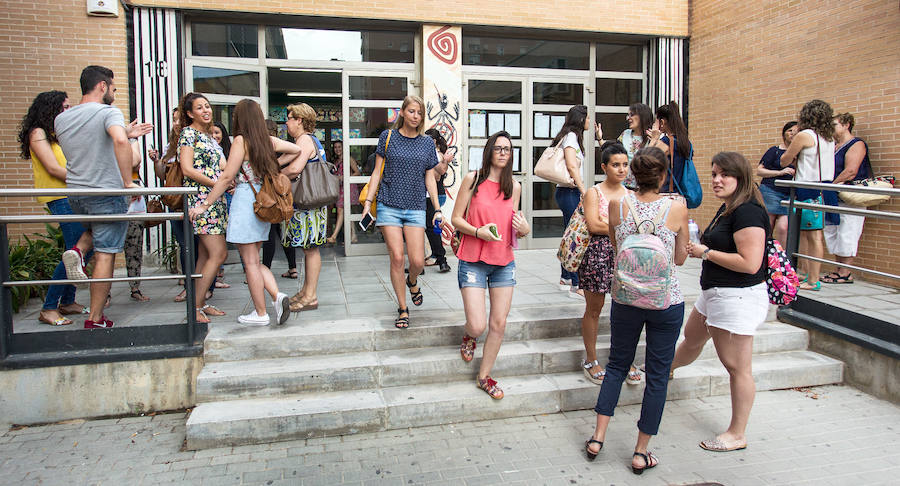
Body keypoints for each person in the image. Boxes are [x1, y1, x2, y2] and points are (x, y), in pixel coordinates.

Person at [584, 146, 688, 474]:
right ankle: (641, 452)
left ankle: (597, 437)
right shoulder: (676, 209)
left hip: (626, 297)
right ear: (662, 175)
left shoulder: (618, 204)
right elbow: (681, 258)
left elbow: (616, 246)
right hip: (665, 300)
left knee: (616, 365)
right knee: (657, 376)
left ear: (633, 175)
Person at [671, 152, 770, 452]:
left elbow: (750, 263)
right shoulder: (730, 208)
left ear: (740, 178)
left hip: (736, 298)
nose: (716, 180)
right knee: (691, 339)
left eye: (724, 174)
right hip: (715, 294)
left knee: (737, 367)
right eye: (714, 174)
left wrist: (706, 253)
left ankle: (737, 433)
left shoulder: (748, 212)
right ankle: (663, 371)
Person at [56, 65, 152, 328]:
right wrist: (126, 182)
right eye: (113, 87)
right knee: (106, 253)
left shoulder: (62, 119)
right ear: (102, 86)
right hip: (106, 192)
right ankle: (95, 318)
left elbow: (92, 144)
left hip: (76, 192)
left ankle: (78, 249)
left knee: (93, 232)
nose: (114, 92)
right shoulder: (108, 111)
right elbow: (119, 143)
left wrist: (126, 133)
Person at [191, 99, 299, 326]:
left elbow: (227, 176)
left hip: (246, 201)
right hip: (264, 201)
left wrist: (205, 204)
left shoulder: (241, 141)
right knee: (255, 260)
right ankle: (277, 296)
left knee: (250, 261)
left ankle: (260, 313)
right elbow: (296, 149)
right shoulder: (266, 140)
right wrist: (275, 167)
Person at [452, 131, 530, 399]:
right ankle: (469, 336)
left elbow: (514, 225)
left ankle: (483, 376)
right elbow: (456, 219)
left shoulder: (515, 187)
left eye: (507, 149)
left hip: (503, 262)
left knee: (498, 323)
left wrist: (524, 229)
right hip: (472, 259)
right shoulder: (472, 180)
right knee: (477, 325)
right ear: (488, 151)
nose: (502, 152)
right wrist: (478, 232)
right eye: (497, 148)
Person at [361, 95, 442, 329]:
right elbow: (376, 172)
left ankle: (412, 280)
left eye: (420, 113)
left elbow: (430, 177)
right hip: (389, 204)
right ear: (403, 112)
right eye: (412, 111)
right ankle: (403, 308)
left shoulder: (427, 143)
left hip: (416, 206)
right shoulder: (387, 138)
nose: (416, 116)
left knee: (417, 261)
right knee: (397, 257)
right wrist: (368, 202)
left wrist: (436, 208)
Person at [19, 90, 90, 326]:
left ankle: (68, 301)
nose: (69, 111)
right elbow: (52, 167)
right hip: (60, 196)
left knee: (81, 249)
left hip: (73, 193)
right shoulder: (38, 133)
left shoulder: (56, 133)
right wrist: (85, 177)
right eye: (65, 107)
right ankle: (48, 307)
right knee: (75, 251)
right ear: (51, 109)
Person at [577, 142, 630, 385]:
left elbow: (604, 225)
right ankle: (591, 358)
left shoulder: (630, 194)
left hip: (625, 256)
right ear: (604, 167)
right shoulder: (593, 192)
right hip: (596, 256)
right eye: (616, 165)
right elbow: (593, 225)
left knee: (626, 310)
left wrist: (608, 225)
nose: (621, 170)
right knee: (594, 309)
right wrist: (621, 227)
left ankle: (622, 361)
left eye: (625, 165)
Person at [174, 92, 229, 324]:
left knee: (205, 256)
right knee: (219, 253)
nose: (206, 110)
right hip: (201, 201)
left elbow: (223, 167)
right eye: (199, 108)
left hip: (217, 200)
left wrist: (227, 181)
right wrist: (217, 183)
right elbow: (187, 169)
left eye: (207, 106)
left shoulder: (208, 137)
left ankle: (199, 304)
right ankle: (194, 307)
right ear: (189, 113)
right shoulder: (188, 134)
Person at [152, 109, 217, 303]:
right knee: (185, 245)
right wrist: (157, 161)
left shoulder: (202, 139)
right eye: (173, 120)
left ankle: (204, 289)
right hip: (177, 201)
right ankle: (192, 291)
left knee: (206, 248)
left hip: (198, 199)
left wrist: (216, 185)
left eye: (179, 119)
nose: (176, 123)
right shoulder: (170, 147)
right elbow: (163, 175)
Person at [780, 99, 836, 291]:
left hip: (808, 187)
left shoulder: (805, 135)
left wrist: (792, 156)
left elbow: (783, 160)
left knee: (812, 236)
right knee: (808, 234)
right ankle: (806, 273)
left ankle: (813, 279)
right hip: (825, 187)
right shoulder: (829, 138)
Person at [282, 103, 328, 312]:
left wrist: (275, 176)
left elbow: (295, 168)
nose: (287, 122)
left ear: (299, 120)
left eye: (289, 118)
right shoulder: (313, 139)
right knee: (310, 248)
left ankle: (311, 295)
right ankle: (306, 291)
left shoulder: (304, 140)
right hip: (313, 203)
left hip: (308, 203)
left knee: (310, 250)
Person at [552, 105, 600, 299]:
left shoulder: (570, 136)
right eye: (588, 118)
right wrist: (583, 190)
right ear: (581, 120)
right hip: (570, 192)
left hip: (566, 192)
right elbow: (572, 165)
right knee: (576, 237)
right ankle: (576, 283)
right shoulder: (571, 137)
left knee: (569, 235)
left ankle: (565, 277)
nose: (590, 122)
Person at [822, 113, 870, 284]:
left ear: (846, 125)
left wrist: (831, 185)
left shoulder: (856, 144)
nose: (831, 128)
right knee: (833, 231)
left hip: (848, 196)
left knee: (848, 231)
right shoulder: (833, 146)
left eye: (834, 124)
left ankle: (845, 272)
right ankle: (838, 269)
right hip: (833, 197)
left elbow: (851, 170)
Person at [261, 118, 298, 279]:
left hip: (269, 195)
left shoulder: (262, 149)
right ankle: (293, 268)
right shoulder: (282, 148)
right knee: (285, 232)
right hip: (284, 195)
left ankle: (266, 269)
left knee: (269, 234)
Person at [756, 121, 798, 246]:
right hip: (771, 191)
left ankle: (780, 260)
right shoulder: (774, 150)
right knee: (768, 226)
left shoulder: (800, 153)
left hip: (790, 194)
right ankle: (763, 256)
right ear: (784, 134)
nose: (792, 134)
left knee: (784, 228)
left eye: (796, 131)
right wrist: (780, 172)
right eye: (790, 131)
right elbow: (760, 171)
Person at [597, 103, 654, 189]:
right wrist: (600, 138)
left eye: (632, 115)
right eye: (628, 115)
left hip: (645, 188)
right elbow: (611, 152)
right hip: (624, 187)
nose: (628, 118)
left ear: (642, 116)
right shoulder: (625, 134)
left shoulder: (653, 137)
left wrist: (654, 140)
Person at [424, 128, 453, 273]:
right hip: (422, 196)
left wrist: (445, 162)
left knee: (432, 228)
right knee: (424, 229)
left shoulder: (434, 154)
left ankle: (442, 260)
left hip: (429, 197)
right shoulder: (429, 153)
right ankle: (435, 258)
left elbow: (438, 174)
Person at [124, 139, 151, 302]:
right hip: (113, 194)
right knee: (107, 250)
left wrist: (131, 140)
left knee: (134, 246)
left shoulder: (129, 141)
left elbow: (135, 162)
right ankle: (105, 292)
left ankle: (135, 287)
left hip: (134, 200)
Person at [650, 101, 693, 197]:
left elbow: (643, 162)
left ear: (662, 122)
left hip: (665, 195)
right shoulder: (686, 142)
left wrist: (654, 139)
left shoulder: (665, 142)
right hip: (681, 195)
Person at [210, 120, 233, 289]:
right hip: (214, 197)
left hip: (227, 197)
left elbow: (230, 175)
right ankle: (216, 274)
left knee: (226, 234)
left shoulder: (231, 151)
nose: (214, 136)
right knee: (216, 240)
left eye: (217, 132)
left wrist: (235, 185)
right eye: (211, 133)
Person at [327, 139, 360, 245]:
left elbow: (357, 173)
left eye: (339, 147)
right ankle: (353, 236)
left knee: (341, 210)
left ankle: (334, 236)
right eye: (335, 147)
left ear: (343, 147)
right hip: (340, 188)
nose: (337, 149)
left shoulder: (349, 159)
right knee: (346, 212)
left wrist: (344, 177)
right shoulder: (336, 161)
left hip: (349, 187)